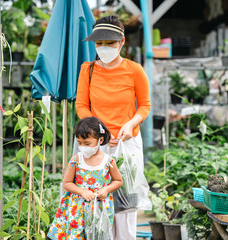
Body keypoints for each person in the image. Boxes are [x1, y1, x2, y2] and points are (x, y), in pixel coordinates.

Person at [75, 15, 151, 240]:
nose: (104, 48)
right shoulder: (87, 70)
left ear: (122, 42)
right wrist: (100, 132)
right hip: (95, 145)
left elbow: (145, 106)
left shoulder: (134, 69)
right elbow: (81, 106)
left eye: (110, 43)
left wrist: (129, 125)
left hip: (127, 146)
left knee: (125, 204)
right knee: (94, 200)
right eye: (99, 43)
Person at [47, 117, 123, 239]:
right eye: (79, 143)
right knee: (76, 235)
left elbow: (118, 181)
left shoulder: (108, 161)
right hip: (77, 209)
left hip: (99, 208)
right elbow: (67, 183)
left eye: (87, 143)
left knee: (97, 235)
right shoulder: (76, 160)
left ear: (100, 140)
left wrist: (106, 190)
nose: (83, 146)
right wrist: (82, 191)